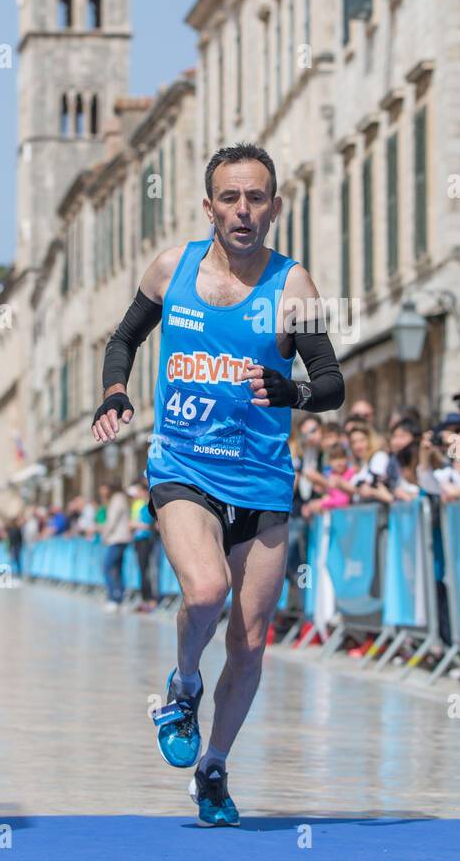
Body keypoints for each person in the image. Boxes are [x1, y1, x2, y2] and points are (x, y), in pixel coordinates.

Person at [91, 142, 344, 826]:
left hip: (262, 485)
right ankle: (183, 685)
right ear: (209, 207)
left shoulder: (295, 287)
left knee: (252, 640)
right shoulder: (172, 269)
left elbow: (331, 384)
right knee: (205, 592)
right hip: (185, 467)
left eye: (255, 198)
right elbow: (124, 340)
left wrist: (290, 389)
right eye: (229, 198)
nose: (242, 210)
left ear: (274, 207)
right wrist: (115, 392)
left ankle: (213, 768)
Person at [99, 481, 131, 610]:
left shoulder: (117, 499)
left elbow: (112, 520)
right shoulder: (121, 499)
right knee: (118, 568)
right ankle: (120, 596)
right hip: (122, 538)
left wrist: (105, 535)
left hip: (117, 538)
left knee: (107, 567)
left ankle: (114, 597)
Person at [129, 478, 157, 611]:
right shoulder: (138, 505)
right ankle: (144, 598)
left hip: (147, 539)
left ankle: (150, 599)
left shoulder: (149, 505)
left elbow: (152, 524)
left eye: (139, 491)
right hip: (138, 539)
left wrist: (136, 525)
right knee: (141, 569)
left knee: (147, 569)